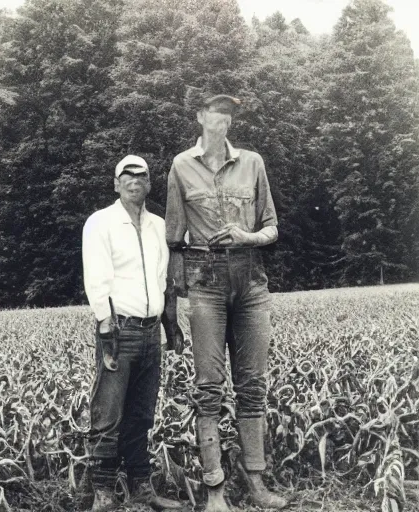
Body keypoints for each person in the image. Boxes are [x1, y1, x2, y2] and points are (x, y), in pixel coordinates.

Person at [164, 94, 288, 510]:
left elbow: (271, 228)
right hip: (206, 283)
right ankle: (214, 489)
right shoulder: (181, 166)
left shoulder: (252, 162)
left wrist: (245, 236)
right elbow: (174, 240)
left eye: (228, 115)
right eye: (214, 114)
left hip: (251, 280)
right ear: (200, 117)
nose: (222, 121)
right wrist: (172, 304)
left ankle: (256, 483)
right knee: (208, 387)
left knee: (253, 385)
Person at [82, 155, 181, 511]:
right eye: (127, 175)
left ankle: (142, 489)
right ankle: (104, 494)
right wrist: (106, 329)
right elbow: (97, 279)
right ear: (116, 183)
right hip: (119, 330)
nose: (134, 181)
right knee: (108, 413)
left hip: (151, 331)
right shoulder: (101, 223)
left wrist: (171, 323)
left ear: (150, 184)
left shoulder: (157, 225)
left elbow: (163, 278)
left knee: (142, 413)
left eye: (141, 176)